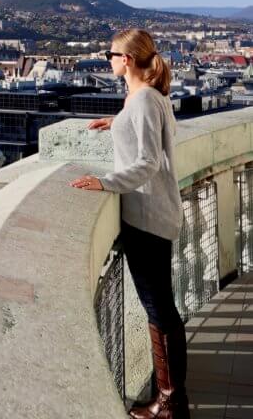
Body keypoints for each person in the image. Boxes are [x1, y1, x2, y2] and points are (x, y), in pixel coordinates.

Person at [70, 28, 188, 419]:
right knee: (162, 310)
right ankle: (170, 397)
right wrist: (116, 122)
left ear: (128, 60)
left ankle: (169, 402)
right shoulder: (149, 98)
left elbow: (148, 162)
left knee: (159, 310)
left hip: (147, 216)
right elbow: (145, 130)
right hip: (156, 214)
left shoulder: (143, 103)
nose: (107, 59)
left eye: (111, 53)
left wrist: (105, 183)